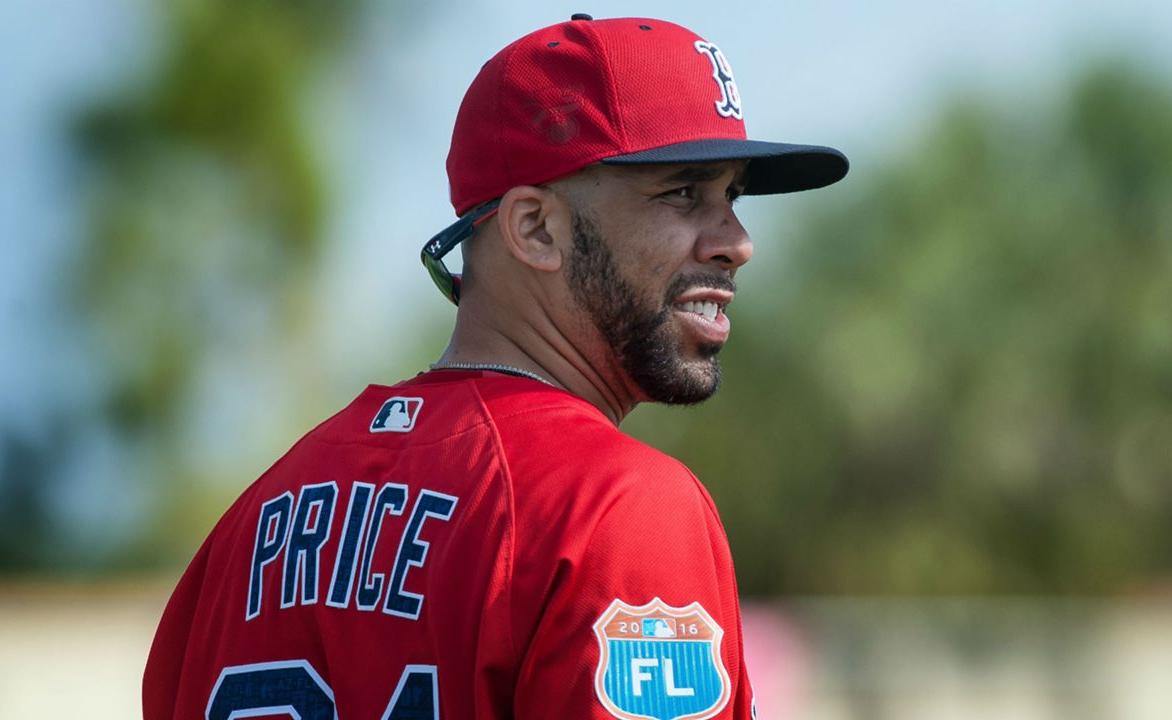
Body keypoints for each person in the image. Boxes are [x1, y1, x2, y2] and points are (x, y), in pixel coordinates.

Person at [143, 14, 846, 720]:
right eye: (684, 192)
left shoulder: (248, 527)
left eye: (732, 196)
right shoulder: (618, 507)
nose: (737, 243)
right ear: (535, 228)